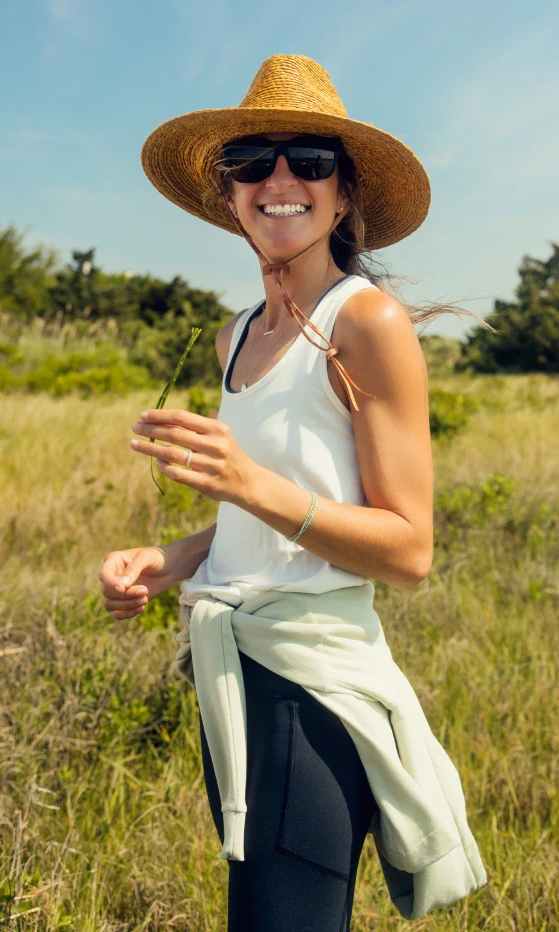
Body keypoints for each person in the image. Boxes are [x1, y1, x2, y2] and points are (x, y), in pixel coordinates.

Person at [99, 54, 488, 930]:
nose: (281, 180)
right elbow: (264, 513)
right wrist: (170, 559)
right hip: (232, 674)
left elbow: (410, 549)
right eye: (254, 163)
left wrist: (251, 483)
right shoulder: (237, 333)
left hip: (311, 691)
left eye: (310, 161)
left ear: (343, 195)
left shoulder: (366, 322)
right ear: (230, 195)